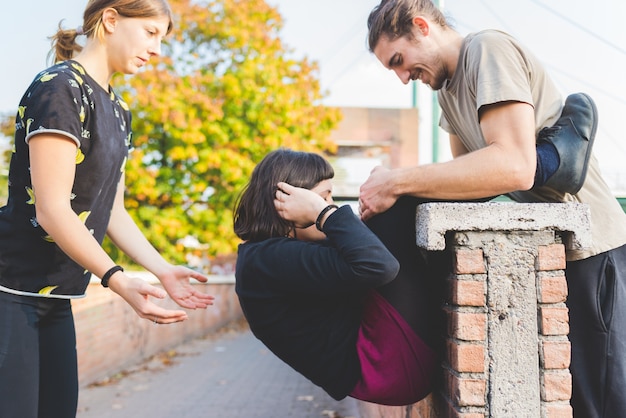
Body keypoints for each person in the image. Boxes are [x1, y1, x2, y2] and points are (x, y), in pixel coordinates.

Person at [361, 1, 626, 416]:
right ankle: (558, 159)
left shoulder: (487, 49)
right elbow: (470, 186)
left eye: (398, 60)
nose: (402, 77)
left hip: (593, 246)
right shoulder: (448, 95)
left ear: (421, 26)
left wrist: (396, 180)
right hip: (547, 254)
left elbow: (513, 167)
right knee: (567, 400)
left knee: (603, 401)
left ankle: (559, 161)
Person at [0, 1, 215, 417]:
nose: (156, 50)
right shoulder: (60, 87)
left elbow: (111, 210)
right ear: (111, 20)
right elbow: (52, 209)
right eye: (151, 33)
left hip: (55, 296)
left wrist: (162, 269)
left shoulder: (120, 111)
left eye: (162, 39)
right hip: (10, 292)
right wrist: (117, 279)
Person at [234, 148, 446, 406]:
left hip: (387, 359)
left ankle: (495, 175)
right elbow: (379, 266)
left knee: (385, 207)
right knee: (392, 209)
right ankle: (500, 175)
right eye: (322, 198)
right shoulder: (265, 261)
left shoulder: (268, 257)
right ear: (285, 204)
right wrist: (323, 214)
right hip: (388, 367)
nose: (330, 204)